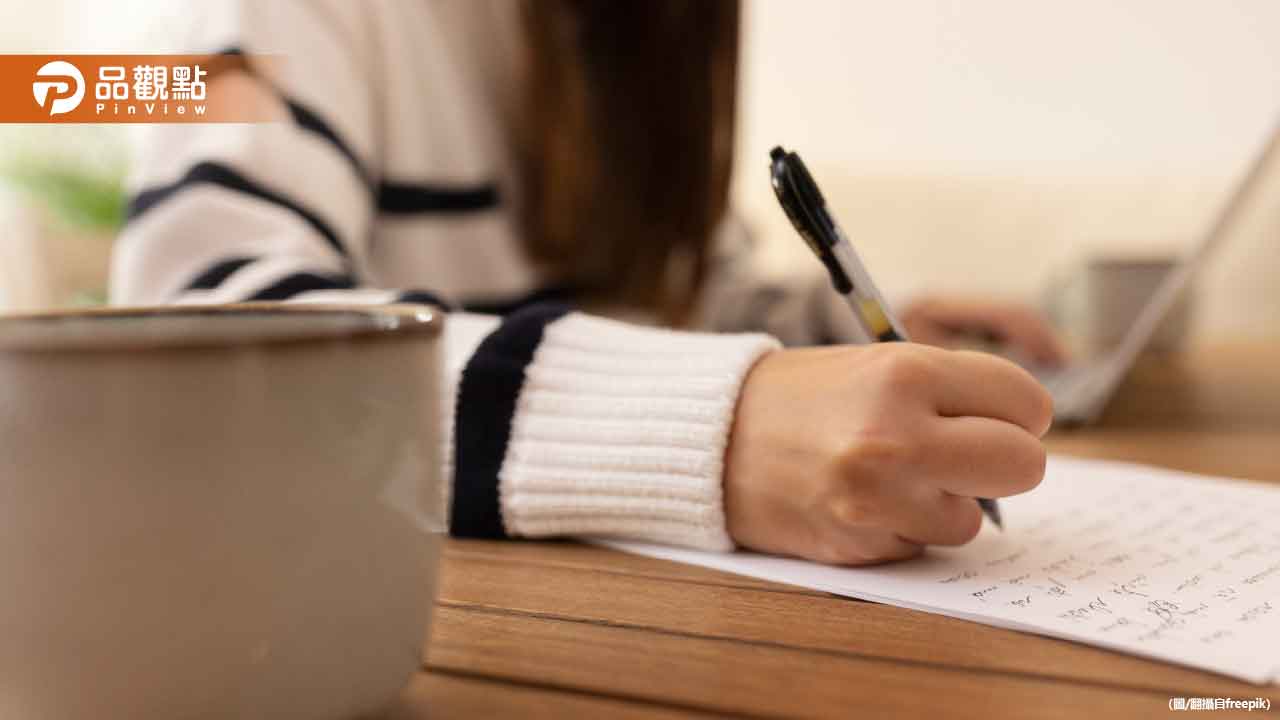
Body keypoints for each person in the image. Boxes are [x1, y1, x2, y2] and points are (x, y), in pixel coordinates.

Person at [111, 0, 1061, 565]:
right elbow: (189, 340)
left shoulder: (628, 33)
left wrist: (847, 323)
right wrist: (707, 428)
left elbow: (673, 294)